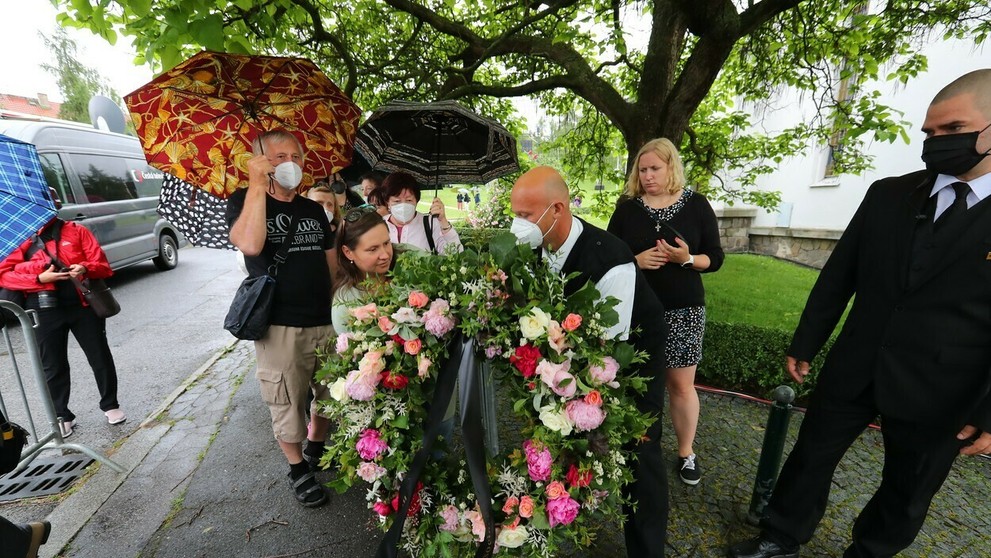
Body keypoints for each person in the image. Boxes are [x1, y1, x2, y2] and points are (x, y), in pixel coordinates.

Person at [728, 69, 991, 558]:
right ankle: (780, 537)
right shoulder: (888, 194)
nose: (936, 142)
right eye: (929, 133)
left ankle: (869, 552)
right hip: (857, 361)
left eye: (952, 129)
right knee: (811, 455)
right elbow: (838, 276)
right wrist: (804, 343)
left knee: (908, 485)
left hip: (942, 387)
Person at [511, 166, 669, 558]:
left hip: (630, 360)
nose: (518, 225)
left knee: (639, 448)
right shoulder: (535, 246)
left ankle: (647, 549)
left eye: (526, 216)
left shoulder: (611, 259)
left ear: (557, 209)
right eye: (515, 215)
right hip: (568, 360)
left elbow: (606, 347)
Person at [226, 129, 336, 508]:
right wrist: (256, 186)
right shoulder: (243, 201)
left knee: (330, 394)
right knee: (286, 400)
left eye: (296, 155)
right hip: (279, 325)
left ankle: (316, 448)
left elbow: (331, 263)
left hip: (325, 319)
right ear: (260, 162)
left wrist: (342, 306)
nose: (291, 163)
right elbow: (251, 244)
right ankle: (297, 470)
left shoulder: (312, 209)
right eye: (279, 156)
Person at [608, 138, 724, 485]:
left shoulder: (697, 205)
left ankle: (686, 453)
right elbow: (609, 255)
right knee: (637, 384)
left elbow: (715, 258)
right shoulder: (628, 209)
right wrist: (636, 260)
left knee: (680, 386)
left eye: (654, 168)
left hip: (684, 310)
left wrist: (686, 259)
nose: (647, 175)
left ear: (671, 166)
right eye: (642, 169)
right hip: (638, 309)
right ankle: (637, 449)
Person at [0, 194, 125, 438]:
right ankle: (62, 415)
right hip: (43, 309)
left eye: (49, 205)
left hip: (83, 305)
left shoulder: (76, 231)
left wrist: (85, 268)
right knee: (52, 364)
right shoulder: (19, 239)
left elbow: (103, 265)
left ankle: (111, 405)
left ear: (55, 207)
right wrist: (38, 278)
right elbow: (5, 275)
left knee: (99, 355)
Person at [331, 206, 397, 333]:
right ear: (348, 252)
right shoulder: (345, 301)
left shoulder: (410, 261)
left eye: (387, 243)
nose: (385, 255)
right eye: (373, 249)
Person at [381, 171, 462, 254]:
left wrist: (443, 221)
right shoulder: (379, 225)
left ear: (417, 201)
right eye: (397, 201)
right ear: (388, 202)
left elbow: (456, 254)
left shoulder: (430, 223)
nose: (403, 205)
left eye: (409, 200)